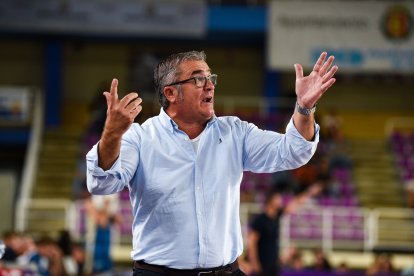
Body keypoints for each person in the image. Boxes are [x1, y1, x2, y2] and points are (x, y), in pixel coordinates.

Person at [86, 50, 338, 275]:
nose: (209, 86)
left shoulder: (235, 133)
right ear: (171, 92)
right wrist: (112, 134)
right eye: (198, 78)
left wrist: (304, 107)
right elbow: (101, 183)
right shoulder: (140, 138)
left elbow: (294, 151)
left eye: (211, 78)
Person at [247, 184, 321, 276]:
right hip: (261, 264)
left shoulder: (276, 216)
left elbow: (295, 204)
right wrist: (254, 263)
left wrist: (309, 192)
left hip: (273, 264)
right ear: (271, 200)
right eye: (278, 198)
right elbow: (251, 243)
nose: (281, 200)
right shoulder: (259, 220)